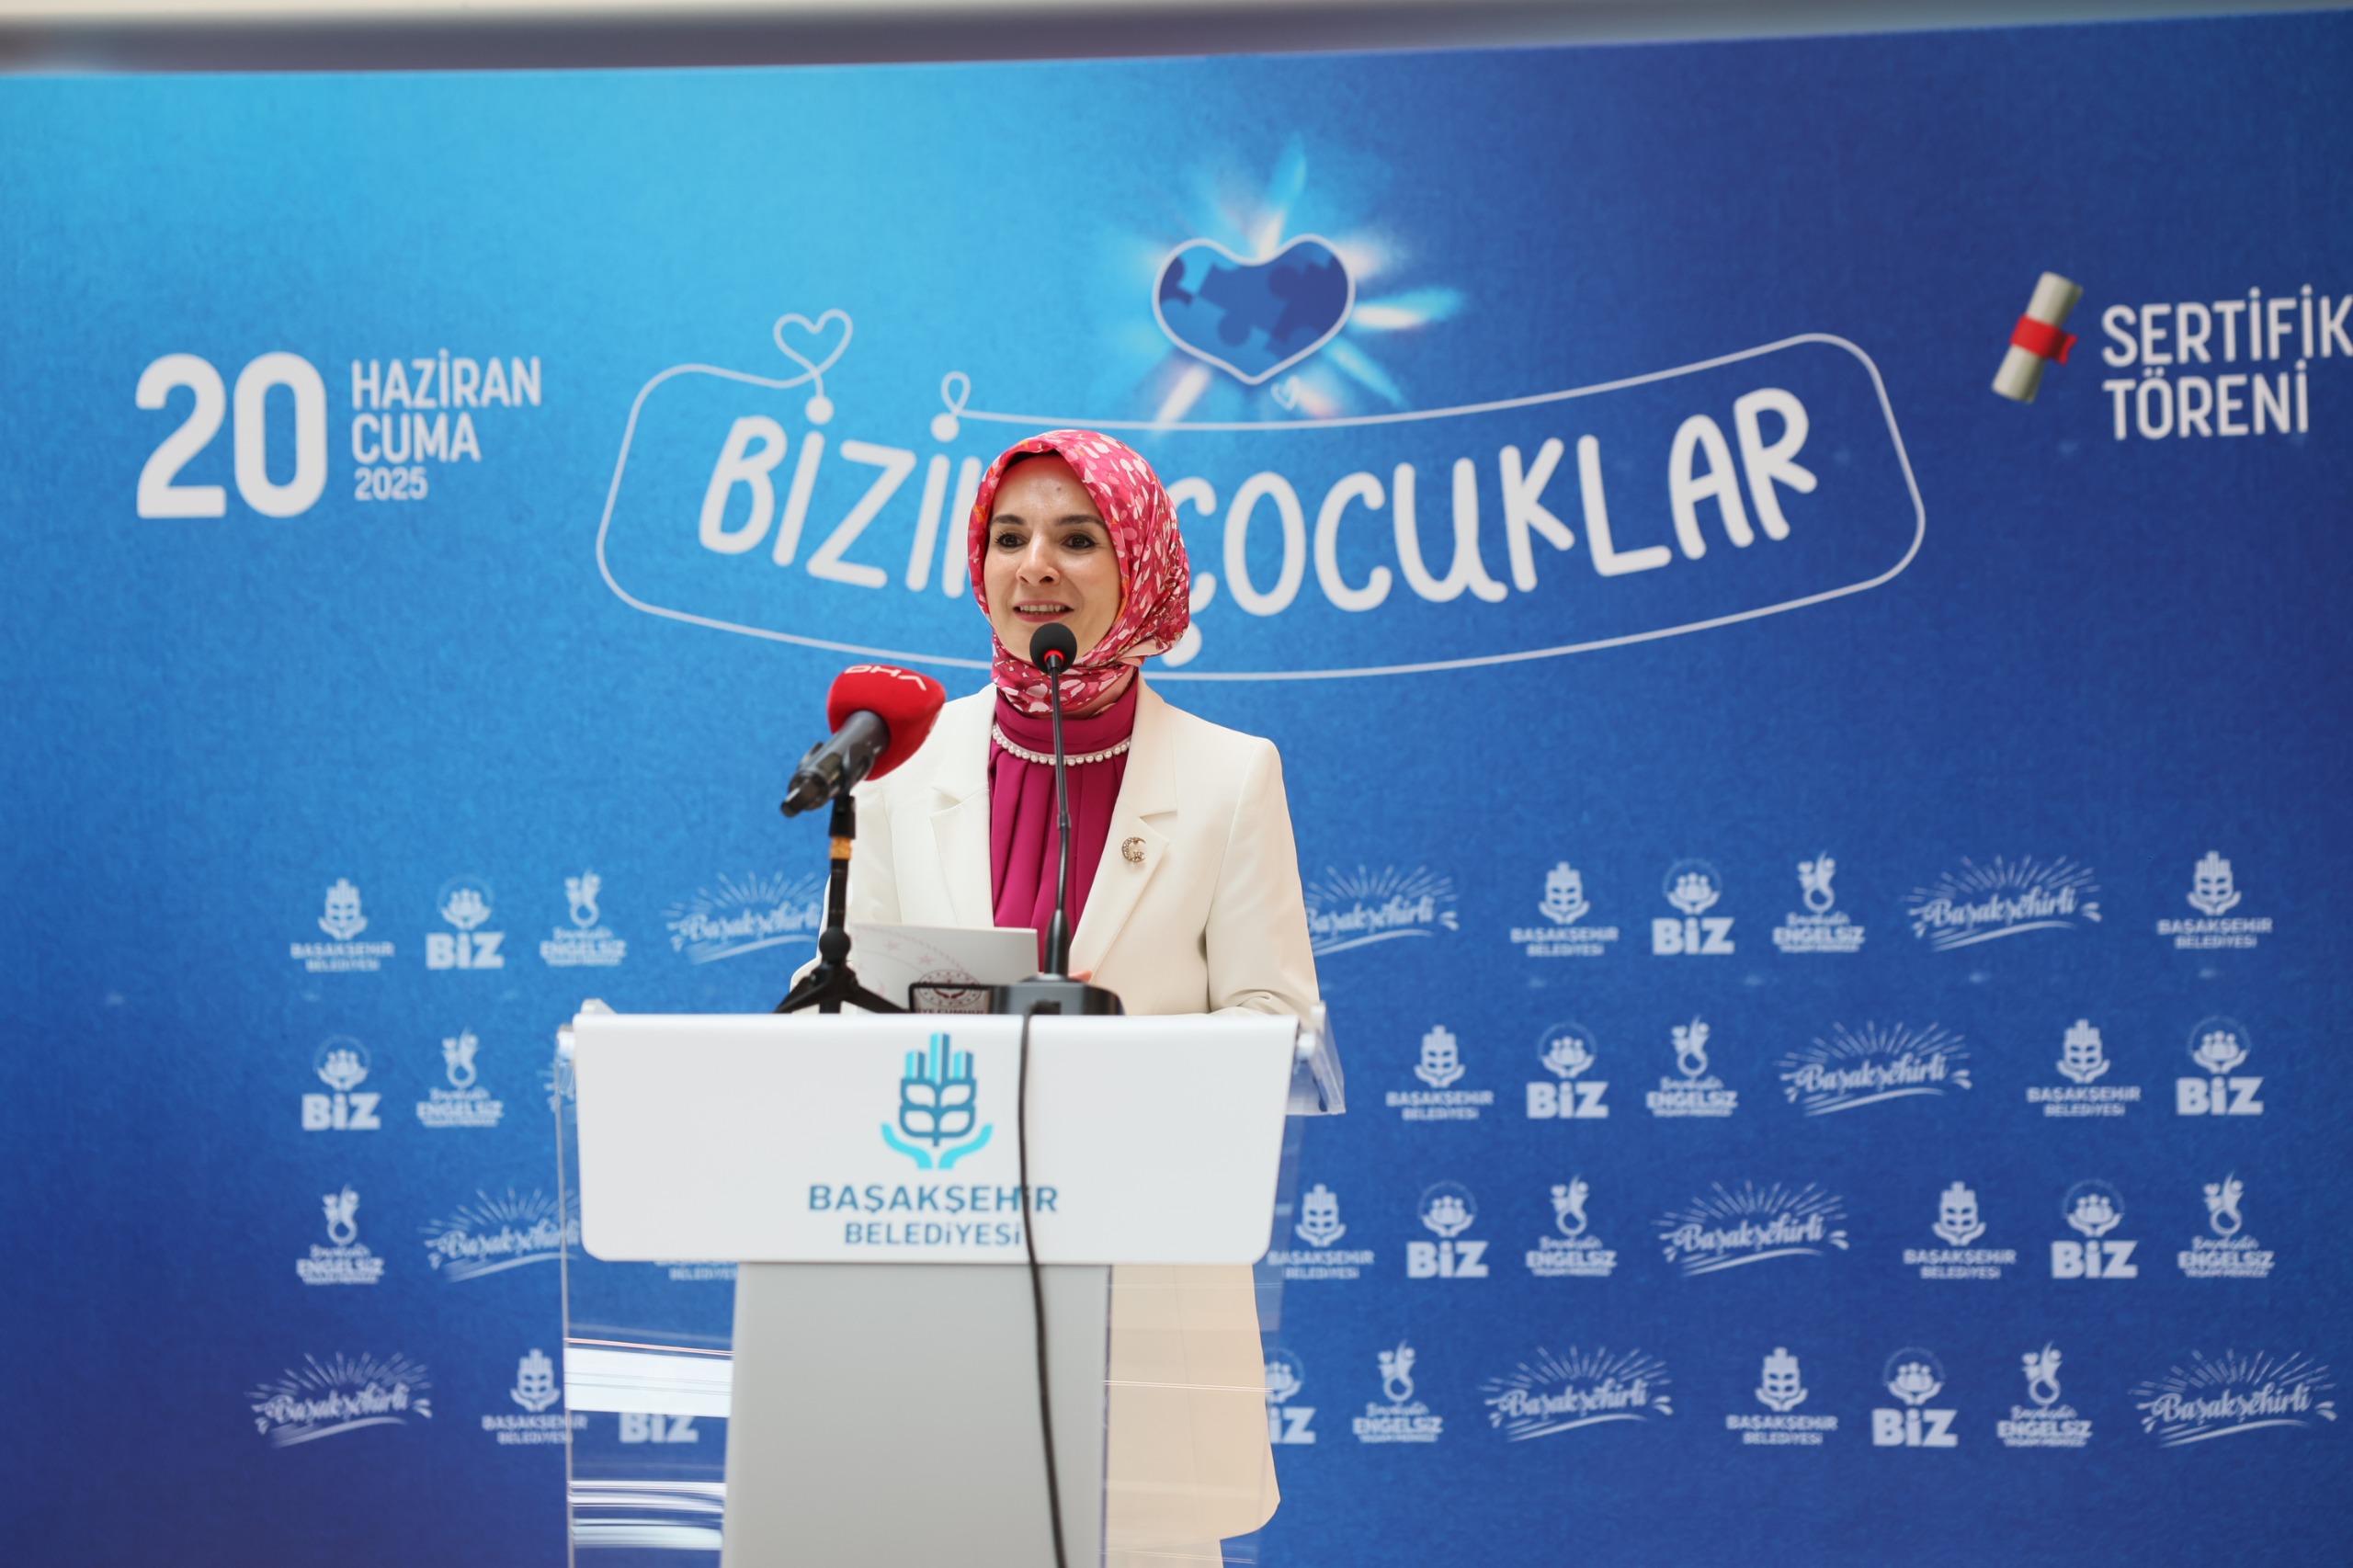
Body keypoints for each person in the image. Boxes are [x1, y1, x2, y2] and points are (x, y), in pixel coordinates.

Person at [841, 428, 1319, 1561]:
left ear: (1139, 563)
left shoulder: (1229, 774)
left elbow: (1281, 1027)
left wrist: (1118, 1053)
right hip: (942, 1271)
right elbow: (849, 1011)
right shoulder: (902, 767)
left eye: (1076, 538)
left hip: (1145, 1301)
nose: (1035, 567)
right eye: (1008, 538)